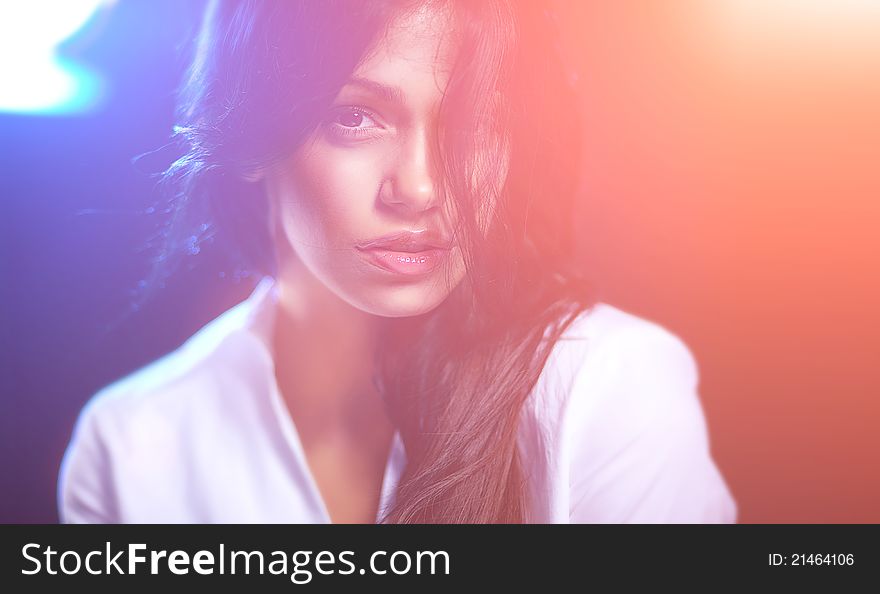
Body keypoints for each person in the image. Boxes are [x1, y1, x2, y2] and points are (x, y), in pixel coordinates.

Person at [58, 0, 737, 524]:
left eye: (476, 123)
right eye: (355, 118)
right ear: (251, 141)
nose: (420, 189)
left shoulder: (605, 384)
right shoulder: (131, 444)